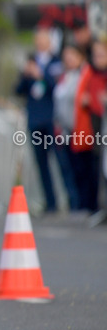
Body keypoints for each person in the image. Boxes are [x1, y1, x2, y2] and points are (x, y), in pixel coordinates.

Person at [15, 29, 63, 213]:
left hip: (51, 119)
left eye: (43, 40)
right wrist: (26, 74)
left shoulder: (56, 62)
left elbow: (56, 86)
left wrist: (41, 74)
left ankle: (72, 201)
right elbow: (19, 90)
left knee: (60, 161)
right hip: (35, 119)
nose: (39, 43)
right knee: (41, 164)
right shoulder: (30, 62)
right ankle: (50, 203)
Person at [72, 39, 107, 213]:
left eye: (101, 54)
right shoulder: (91, 74)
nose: (98, 58)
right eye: (95, 55)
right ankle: (97, 206)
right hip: (96, 125)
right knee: (97, 166)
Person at [52, 43, 84, 213]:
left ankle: (83, 204)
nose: (69, 59)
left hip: (78, 129)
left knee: (81, 169)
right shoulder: (64, 77)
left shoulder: (83, 76)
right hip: (63, 130)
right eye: (66, 56)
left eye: (72, 55)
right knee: (67, 169)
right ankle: (73, 204)